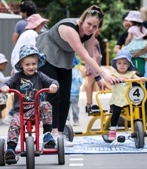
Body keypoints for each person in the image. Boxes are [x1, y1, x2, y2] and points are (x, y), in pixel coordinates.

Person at [36, 5, 119, 145]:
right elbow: (84, 56)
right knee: (53, 93)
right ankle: (51, 133)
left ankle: (60, 134)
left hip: (65, 59)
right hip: (48, 55)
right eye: (89, 24)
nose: (90, 28)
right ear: (82, 20)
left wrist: (98, 78)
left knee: (65, 96)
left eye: (94, 26)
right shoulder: (69, 29)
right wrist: (104, 75)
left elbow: (91, 56)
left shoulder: (90, 33)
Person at [0, 44, 59, 164]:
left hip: (36, 110)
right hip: (20, 111)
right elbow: (7, 84)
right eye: (27, 64)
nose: (31, 67)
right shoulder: (17, 77)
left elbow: (52, 81)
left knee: (46, 104)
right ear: (21, 65)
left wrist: (53, 86)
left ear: (37, 63)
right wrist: (5, 87)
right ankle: (11, 148)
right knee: (14, 124)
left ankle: (47, 134)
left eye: (34, 64)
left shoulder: (40, 76)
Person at [4, 13, 49, 124]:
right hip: (23, 68)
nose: (42, 26)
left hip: (20, 66)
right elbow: (32, 53)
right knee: (28, 93)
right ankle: (13, 115)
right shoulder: (32, 34)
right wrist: (33, 65)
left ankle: (16, 115)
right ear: (37, 25)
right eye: (41, 24)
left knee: (26, 93)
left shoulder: (25, 33)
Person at [108, 49, 146, 141]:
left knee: (137, 109)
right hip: (117, 99)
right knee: (116, 112)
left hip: (129, 98)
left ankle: (138, 127)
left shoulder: (131, 73)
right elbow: (111, 79)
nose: (122, 65)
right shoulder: (114, 73)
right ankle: (113, 129)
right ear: (116, 64)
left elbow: (136, 78)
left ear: (129, 65)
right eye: (119, 63)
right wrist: (118, 78)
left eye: (125, 63)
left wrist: (141, 79)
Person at [123, 11, 147, 78]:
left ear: (133, 21)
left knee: (127, 57)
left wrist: (126, 44)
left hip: (133, 46)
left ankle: (127, 72)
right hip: (142, 45)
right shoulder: (143, 28)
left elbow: (129, 38)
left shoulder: (131, 28)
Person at [85, 28, 102, 113]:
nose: (99, 30)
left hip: (95, 64)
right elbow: (92, 54)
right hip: (92, 64)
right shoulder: (91, 40)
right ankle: (89, 103)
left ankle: (90, 103)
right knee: (90, 83)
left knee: (92, 83)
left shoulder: (94, 39)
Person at [67, 56, 83, 126]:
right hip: (75, 93)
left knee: (66, 107)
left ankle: (67, 120)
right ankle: (76, 120)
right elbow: (81, 81)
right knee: (75, 107)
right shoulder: (77, 72)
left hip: (67, 93)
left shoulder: (65, 73)